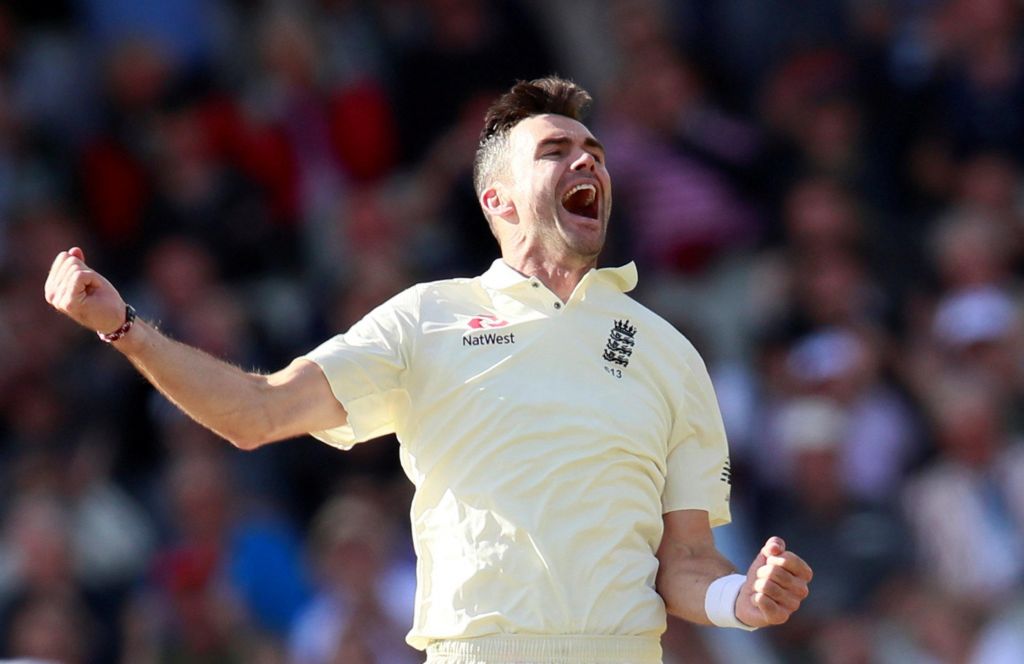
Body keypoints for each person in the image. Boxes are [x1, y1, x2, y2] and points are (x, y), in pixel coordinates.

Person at [44, 76, 812, 663]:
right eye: (555, 151)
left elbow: (685, 564)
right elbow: (259, 412)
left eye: (596, 154)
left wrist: (739, 598)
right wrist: (124, 328)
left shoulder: (670, 354)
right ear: (498, 200)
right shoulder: (426, 318)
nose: (588, 161)